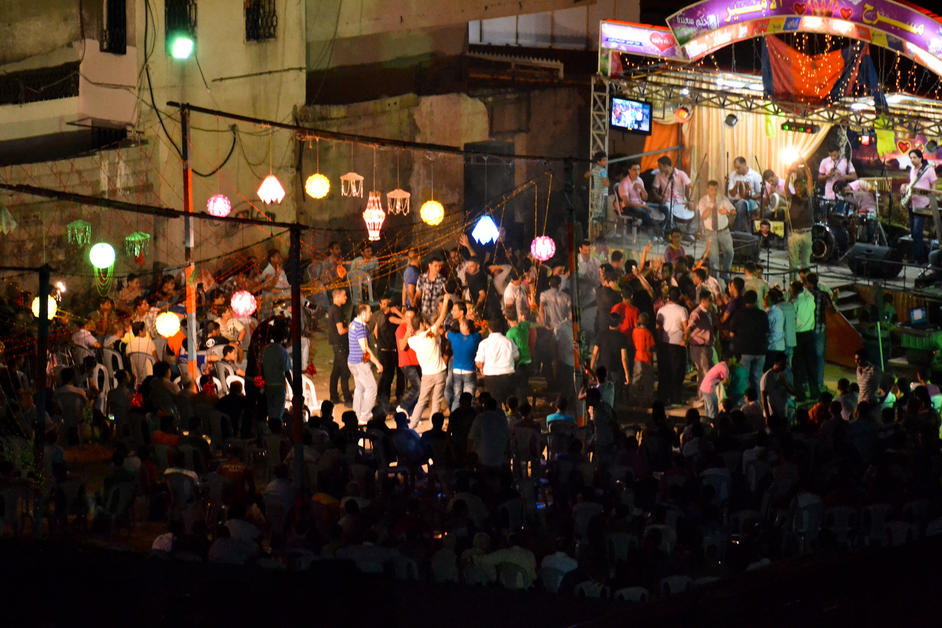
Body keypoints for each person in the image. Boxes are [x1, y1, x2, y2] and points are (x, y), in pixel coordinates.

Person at [407, 296, 449, 429]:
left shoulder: (412, 341)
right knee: (436, 402)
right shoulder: (430, 334)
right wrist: (446, 301)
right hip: (440, 373)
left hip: (426, 375)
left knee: (422, 401)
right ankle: (433, 427)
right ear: (421, 324)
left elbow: (412, 336)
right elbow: (441, 317)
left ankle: (412, 425)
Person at [348, 304, 383, 424]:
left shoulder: (354, 324)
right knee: (372, 388)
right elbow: (365, 348)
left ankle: (356, 415)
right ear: (363, 313)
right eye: (369, 311)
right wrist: (377, 363)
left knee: (360, 388)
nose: (371, 314)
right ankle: (364, 416)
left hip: (353, 362)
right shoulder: (359, 328)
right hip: (359, 363)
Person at [729, 290, 769, 397]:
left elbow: (731, 333)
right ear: (756, 300)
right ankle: (759, 401)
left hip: (743, 351)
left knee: (743, 379)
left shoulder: (738, 314)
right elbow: (767, 333)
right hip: (760, 351)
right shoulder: (762, 314)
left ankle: (743, 402)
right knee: (757, 378)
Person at [902, 148, 938, 264]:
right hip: (912, 203)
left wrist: (932, 200)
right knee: (914, 232)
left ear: (920, 158)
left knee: (917, 231)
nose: (912, 160)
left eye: (914, 158)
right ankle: (919, 256)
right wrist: (905, 187)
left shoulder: (928, 169)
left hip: (923, 204)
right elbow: (912, 183)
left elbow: (933, 185)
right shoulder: (912, 169)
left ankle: (919, 259)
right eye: (911, 158)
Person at [475, 316, 519, 405]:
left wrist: (481, 368)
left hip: (491, 376)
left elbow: (479, 362)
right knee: (508, 401)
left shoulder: (484, 343)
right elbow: (516, 357)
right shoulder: (509, 341)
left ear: (489, 329)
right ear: (501, 328)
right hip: (507, 375)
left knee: (494, 402)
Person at [655, 287, 688, 405]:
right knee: (677, 372)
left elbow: (658, 328)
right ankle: (675, 398)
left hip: (664, 344)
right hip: (678, 344)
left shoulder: (661, 310)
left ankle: (663, 397)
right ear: (679, 297)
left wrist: (659, 342)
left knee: (664, 371)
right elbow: (686, 328)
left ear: (668, 296)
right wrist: (685, 340)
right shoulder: (682, 310)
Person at [698, 180, 735, 279]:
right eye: (711, 190)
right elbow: (704, 216)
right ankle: (715, 279)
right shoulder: (703, 201)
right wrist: (711, 206)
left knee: (729, 252)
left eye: (715, 190)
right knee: (714, 257)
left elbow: (733, 211)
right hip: (710, 232)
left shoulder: (722, 199)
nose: (714, 192)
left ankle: (725, 273)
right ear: (707, 190)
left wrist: (727, 211)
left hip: (723, 231)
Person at [374, 296, 404, 411]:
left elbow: (375, 332)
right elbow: (406, 321)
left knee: (384, 378)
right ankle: (384, 404)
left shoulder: (379, 316)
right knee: (387, 378)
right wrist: (398, 312)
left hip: (382, 350)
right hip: (388, 352)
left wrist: (380, 342)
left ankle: (381, 401)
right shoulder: (390, 318)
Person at [804, 272, 830, 395]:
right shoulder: (823, 294)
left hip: (807, 329)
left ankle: (808, 383)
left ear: (808, 283)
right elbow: (832, 309)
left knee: (808, 356)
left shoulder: (805, 295)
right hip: (820, 328)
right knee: (819, 357)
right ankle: (819, 383)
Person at [686, 290, 716, 398]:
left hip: (708, 345)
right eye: (710, 300)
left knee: (706, 372)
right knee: (704, 372)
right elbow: (688, 328)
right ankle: (702, 397)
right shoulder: (697, 313)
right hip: (699, 347)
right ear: (703, 301)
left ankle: (704, 396)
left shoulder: (709, 312)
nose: (712, 302)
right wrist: (685, 339)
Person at [786, 162, 814, 274]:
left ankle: (806, 281)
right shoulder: (792, 197)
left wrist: (805, 165)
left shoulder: (808, 196)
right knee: (793, 263)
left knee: (805, 262)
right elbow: (786, 188)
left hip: (806, 232)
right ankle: (793, 282)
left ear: (804, 186)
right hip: (794, 233)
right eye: (796, 186)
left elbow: (810, 179)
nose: (798, 188)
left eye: (800, 186)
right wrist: (789, 174)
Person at [791, 280, 817, 400]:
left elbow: (793, 318)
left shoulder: (795, 302)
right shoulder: (810, 298)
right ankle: (814, 392)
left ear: (794, 291)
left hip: (798, 335)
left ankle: (800, 394)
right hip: (810, 334)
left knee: (798, 366)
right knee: (811, 365)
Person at [467, 396, 510, 469]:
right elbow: (507, 438)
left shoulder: (480, 418)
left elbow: (471, 438)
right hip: (498, 458)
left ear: (484, 407)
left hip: (482, 458)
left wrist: (468, 454)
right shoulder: (501, 420)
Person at [653, 156, 692, 235]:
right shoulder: (658, 175)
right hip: (667, 201)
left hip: (681, 200)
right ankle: (671, 232)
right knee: (668, 209)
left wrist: (691, 200)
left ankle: (689, 232)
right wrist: (658, 197)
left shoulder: (680, 174)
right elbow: (654, 189)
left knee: (696, 210)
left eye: (660, 166)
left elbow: (690, 185)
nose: (659, 168)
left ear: (666, 166)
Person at [618, 160, 661, 229]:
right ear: (629, 170)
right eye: (634, 170)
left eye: (638, 169)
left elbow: (645, 198)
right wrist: (643, 206)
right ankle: (649, 231)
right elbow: (627, 203)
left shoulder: (639, 180)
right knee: (645, 213)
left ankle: (660, 229)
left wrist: (642, 188)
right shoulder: (625, 183)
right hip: (629, 208)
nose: (637, 172)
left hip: (641, 204)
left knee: (664, 208)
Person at [327, 289, 352, 404]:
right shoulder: (336, 310)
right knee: (345, 372)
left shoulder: (333, 309)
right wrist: (350, 328)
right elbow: (341, 330)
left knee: (336, 371)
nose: (346, 297)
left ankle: (334, 396)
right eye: (344, 295)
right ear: (337, 297)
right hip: (340, 345)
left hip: (337, 344)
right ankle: (347, 398)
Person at [261, 325, 291, 422]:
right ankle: (276, 429)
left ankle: (271, 428)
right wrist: (293, 386)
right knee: (278, 412)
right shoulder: (283, 351)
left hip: (267, 386)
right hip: (279, 386)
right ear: (283, 338)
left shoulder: (265, 350)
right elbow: (287, 371)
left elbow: (260, 368)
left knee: (270, 411)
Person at [395, 309, 422, 415]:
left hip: (417, 362)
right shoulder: (401, 329)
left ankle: (412, 413)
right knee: (418, 387)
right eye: (407, 317)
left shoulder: (417, 328)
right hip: (407, 363)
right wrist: (407, 334)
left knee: (420, 389)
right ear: (404, 318)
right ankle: (403, 406)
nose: (410, 320)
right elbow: (401, 346)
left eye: (412, 317)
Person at [505, 309, 534, 403]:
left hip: (518, 363)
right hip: (527, 360)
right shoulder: (524, 326)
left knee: (519, 390)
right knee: (523, 388)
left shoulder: (510, 333)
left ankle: (520, 406)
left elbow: (509, 350)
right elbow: (534, 324)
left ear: (506, 318)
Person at [727, 156, 763, 232]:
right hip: (735, 200)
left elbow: (761, 193)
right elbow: (731, 193)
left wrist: (749, 196)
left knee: (741, 203)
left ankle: (736, 232)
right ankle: (724, 230)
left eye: (738, 168)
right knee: (725, 202)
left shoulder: (755, 175)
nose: (736, 170)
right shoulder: (733, 175)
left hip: (751, 200)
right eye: (735, 168)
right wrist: (736, 186)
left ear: (744, 165)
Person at [631, 312, 656, 409]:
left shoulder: (635, 331)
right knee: (648, 380)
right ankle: (647, 399)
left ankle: (633, 397)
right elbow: (650, 347)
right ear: (648, 322)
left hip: (637, 357)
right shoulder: (648, 333)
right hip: (646, 358)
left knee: (636, 378)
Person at [760, 352, 792, 426]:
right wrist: (767, 416)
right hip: (772, 414)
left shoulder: (784, 375)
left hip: (782, 412)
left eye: (786, 364)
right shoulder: (767, 377)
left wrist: (784, 383)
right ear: (776, 363)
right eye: (783, 364)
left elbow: (792, 391)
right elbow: (763, 398)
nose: (785, 366)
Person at [415, 254, 447, 325]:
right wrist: (415, 308)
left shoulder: (442, 280)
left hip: (436, 315)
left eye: (439, 266)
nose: (438, 268)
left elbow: (445, 296)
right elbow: (418, 295)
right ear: (430, 265)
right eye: (435, 266)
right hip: (423, 312)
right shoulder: (422, 278)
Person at [585, 151, 609, 240]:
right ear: (598, 161)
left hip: (596, 194)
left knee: (595, 213)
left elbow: (586, 175)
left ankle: (594, 233)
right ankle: (598, 234)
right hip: (602, 194)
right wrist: (608, 181)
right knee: (600, 215)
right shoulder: (603, 171)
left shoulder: (595, 169)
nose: (605, 162)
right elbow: (606, 183)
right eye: (604, 160)